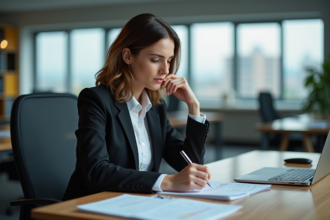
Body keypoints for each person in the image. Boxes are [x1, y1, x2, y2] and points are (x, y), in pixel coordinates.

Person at [63, 13, 211, 200]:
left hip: (137, 204)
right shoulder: (96, 100)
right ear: (127, 56)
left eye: (169, 60)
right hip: (92, 205)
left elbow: (189, 165)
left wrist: (193, 106)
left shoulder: (155, 107)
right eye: (156, 60)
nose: (166, 70)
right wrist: (168, 182)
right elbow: (96, 172)